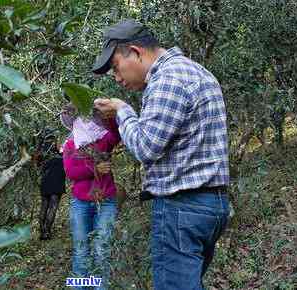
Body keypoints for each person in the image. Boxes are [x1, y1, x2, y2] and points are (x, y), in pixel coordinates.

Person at [92, 19, 230, 290]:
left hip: (182, 207)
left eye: (116, 68)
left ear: (136, 52)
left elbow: (146, 147)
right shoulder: (194, 70)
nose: (118, 78)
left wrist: (122, 111)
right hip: (211, 205)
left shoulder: (167, 79)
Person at [61, 103, 121, 290]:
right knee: (81, 251)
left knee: (102, 250)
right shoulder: (70, 145)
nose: (84, 122)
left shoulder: (103, 139)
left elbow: (116, 134)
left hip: (106, 201)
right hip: (81, 203)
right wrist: (95, 168)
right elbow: (71, 172)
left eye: (88, 118)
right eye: (80, 119)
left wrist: (107, 113)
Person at [35, 129, 66, 240]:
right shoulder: (57, 147)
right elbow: (66, 155)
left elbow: (37, 164)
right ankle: (47, 231)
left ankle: (42, 232)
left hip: (46, 178)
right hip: (57, 177)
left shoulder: (41, 150)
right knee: (53, 205)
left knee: (44, 204)